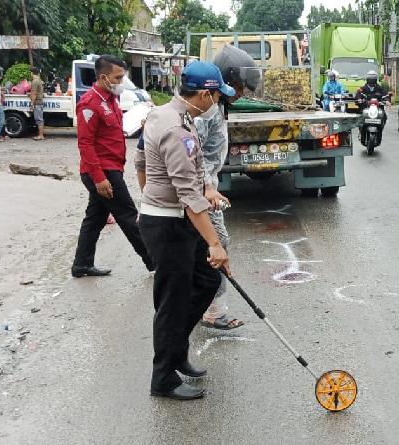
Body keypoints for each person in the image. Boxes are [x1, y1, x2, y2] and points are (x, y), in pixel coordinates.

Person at [135, 61, 234, 400]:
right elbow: (187, 194)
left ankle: (176, 351)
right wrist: (215, 243)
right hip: (168, 223)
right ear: (205, 93)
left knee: (207, 280)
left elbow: (142, 162)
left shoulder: (168, 114)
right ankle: (162, 378)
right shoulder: (176, 128)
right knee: (172, 303)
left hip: (174, 219)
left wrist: (205, 189)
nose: (218, 102)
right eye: (218, 96)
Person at [195, 44, 261, 331]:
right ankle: (211, 310)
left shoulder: (217, 106)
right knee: (216, 245)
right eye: (239, 86)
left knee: (209, 247)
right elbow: (191, 154)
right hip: (199, 189)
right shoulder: (206, 111)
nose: (242, 93)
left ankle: (205, 305)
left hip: (208, 185)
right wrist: (207, 188)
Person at [71, 54, 154, 278]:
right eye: (117, 77)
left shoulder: (110, 99)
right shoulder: (89, 103)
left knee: (95, 219)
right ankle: (154, 261)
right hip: (101, 171)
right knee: (128, 215)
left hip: (112, 167)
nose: (120, 82)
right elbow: (85, 144)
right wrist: (99, 178)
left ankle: (81, 264)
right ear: (103, 76)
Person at [29, 67, 45, 141]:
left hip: (37, 102)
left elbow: (34, 93)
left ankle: (41, 135)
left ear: (32, 73)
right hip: (40, 101)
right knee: (39, 119)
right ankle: (40, 134)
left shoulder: (35, 82)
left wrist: (32, 103)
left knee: (39, 119)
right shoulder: (40, 81)